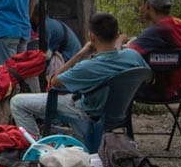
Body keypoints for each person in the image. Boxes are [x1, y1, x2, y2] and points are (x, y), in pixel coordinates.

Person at [10, 12, 150, 148]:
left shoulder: (88, 67)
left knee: (17, 102)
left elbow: (54, 82)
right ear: (117, 34)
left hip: (87, 110)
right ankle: (62, 136)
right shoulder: (132, 56)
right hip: (119, 112)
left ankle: (38, 148)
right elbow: (146, 76)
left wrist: (80, 54)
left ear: (91, 36)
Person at [125, 0, 181, 102]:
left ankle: (119, 120)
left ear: (148, 6)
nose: (141, 7)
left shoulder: (157, 30)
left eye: (143, 3)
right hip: (177, 88)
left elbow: (127, 55)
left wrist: (123, 43)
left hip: (158, 90)